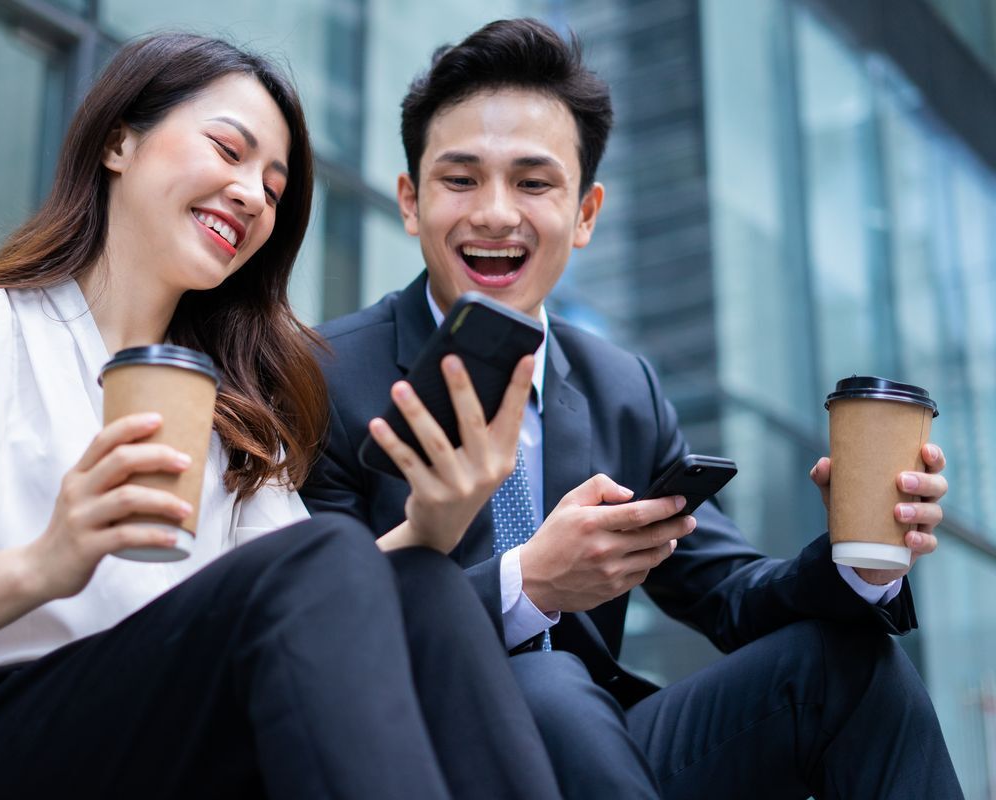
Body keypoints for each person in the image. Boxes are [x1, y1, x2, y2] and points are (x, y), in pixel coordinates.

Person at [0, 32, 563, 800]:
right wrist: (44, 563)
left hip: (153, 744)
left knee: (423, 587)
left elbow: (334, 590)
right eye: (229, 151)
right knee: (330, 556)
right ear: (119, 142)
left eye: (273, 183)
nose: (254, 196)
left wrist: (434, 521)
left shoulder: (229, 421)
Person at [300, 17, 963, 799]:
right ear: (410, 201)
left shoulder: (623, 389)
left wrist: (861, 555)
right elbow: (317, 632)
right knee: (547, 687)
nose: (495, 213)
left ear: (585, 215)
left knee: (851, 668)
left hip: (600, 754)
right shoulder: (322, 376)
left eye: (534, 183)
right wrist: (528, 585)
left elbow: (736, 598)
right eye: (461, 179)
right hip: (415, 754)